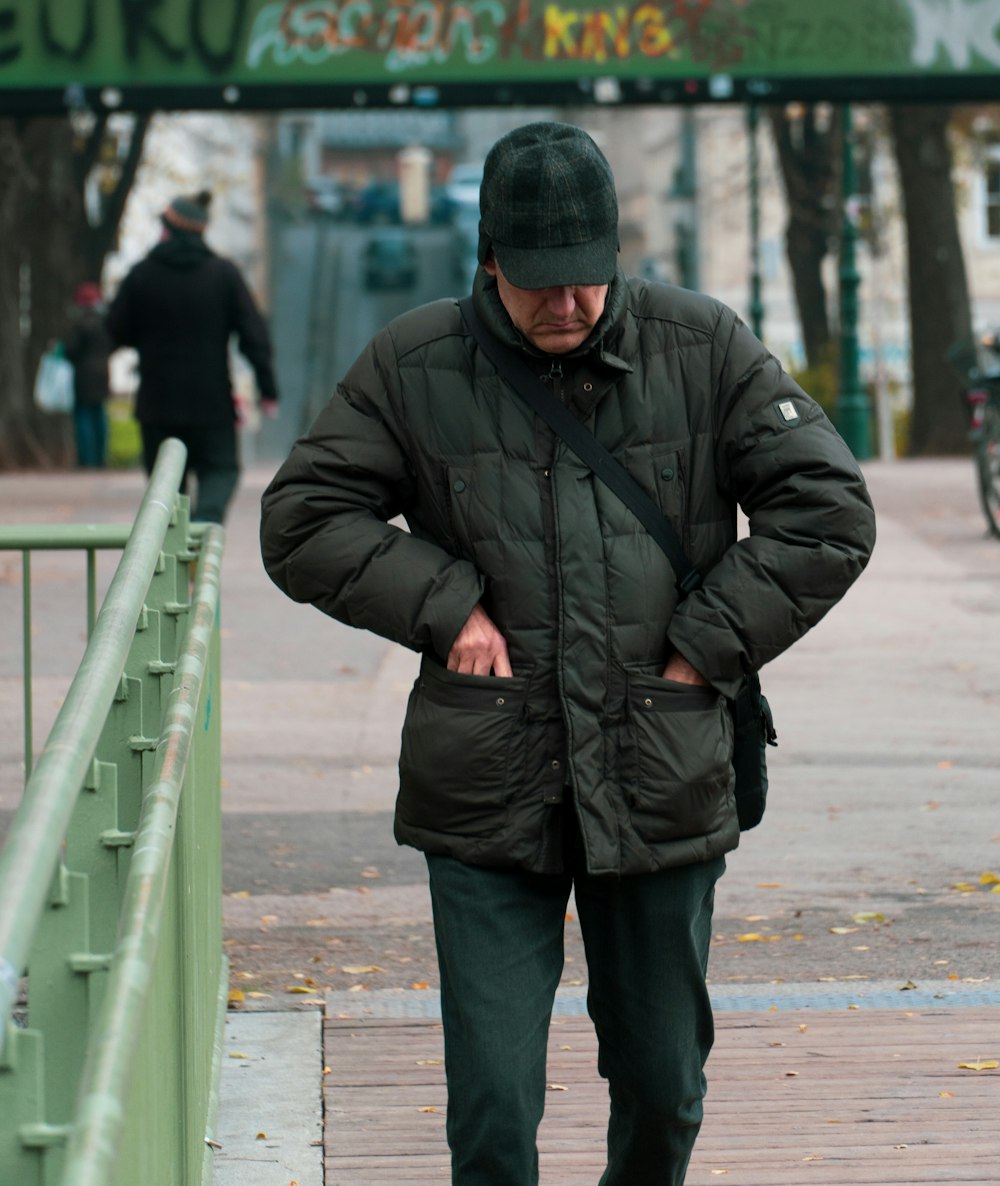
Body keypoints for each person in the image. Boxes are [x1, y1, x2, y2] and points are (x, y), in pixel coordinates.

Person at [260, 122, 876, 1185]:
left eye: (587, 278)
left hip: (660, 766)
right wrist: (446, 604)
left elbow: (827, 511)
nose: (568, 304)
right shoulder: (414, 362)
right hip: (489, 781)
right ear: (489, 259)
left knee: (663, 1086)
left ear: (614, 253)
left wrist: (707, 642)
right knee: (494, 1107)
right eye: (540, 282)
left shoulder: (704, 346)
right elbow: (302, 516)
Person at [106, 190, 278, 523]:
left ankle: (176, 558)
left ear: (168, 230)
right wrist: (267, 388)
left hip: (157, 404)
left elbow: (115, 331)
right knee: (221, 470)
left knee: (165, 487)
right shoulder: (223, 275)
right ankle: (203, 529)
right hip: (210, 403)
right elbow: (253, 335)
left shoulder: (142, 274)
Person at [63, 281, 113, 468]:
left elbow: (71, 351)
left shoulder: (80, 326)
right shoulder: (105, 325)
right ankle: (101, 458)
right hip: (102, 376)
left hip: (83, 377)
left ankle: (87, 460)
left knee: (83, 418)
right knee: (100, 416)